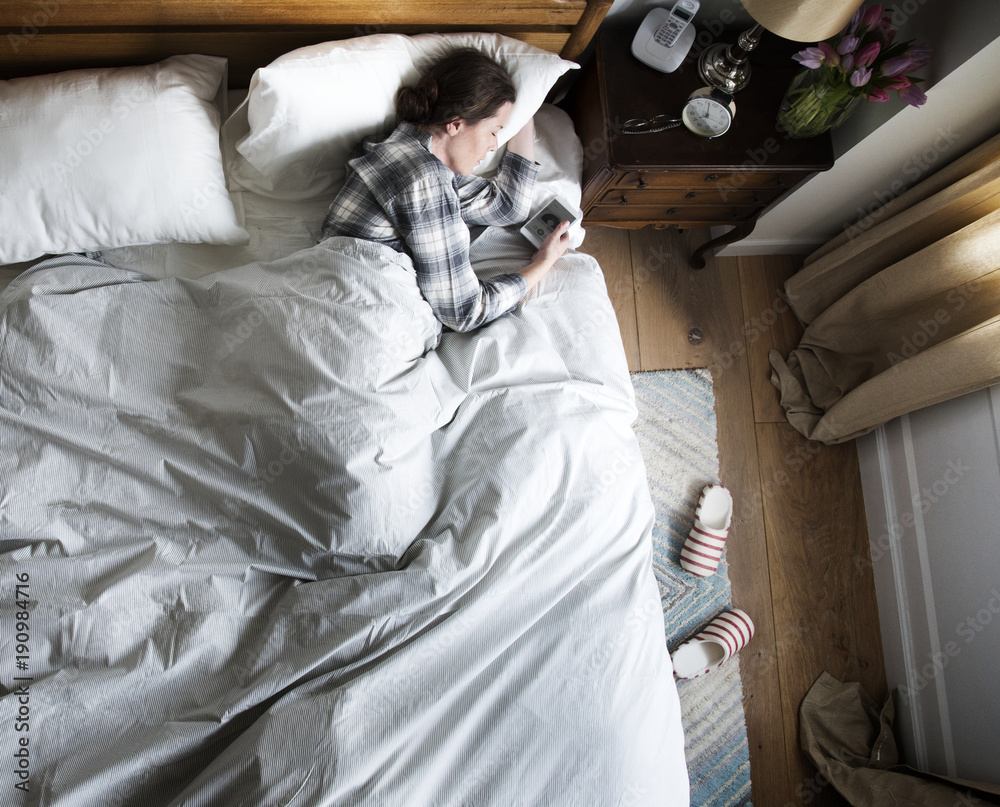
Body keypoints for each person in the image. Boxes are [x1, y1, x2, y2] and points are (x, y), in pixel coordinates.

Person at [320, 48, 570, 332]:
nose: (493, 145)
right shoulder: (425, 179)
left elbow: (508, 206)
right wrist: (543, 264)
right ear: (456, 124)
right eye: (494, 130)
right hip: (354, 320)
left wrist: (527, 105)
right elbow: (464, 313)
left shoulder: (391, 150)